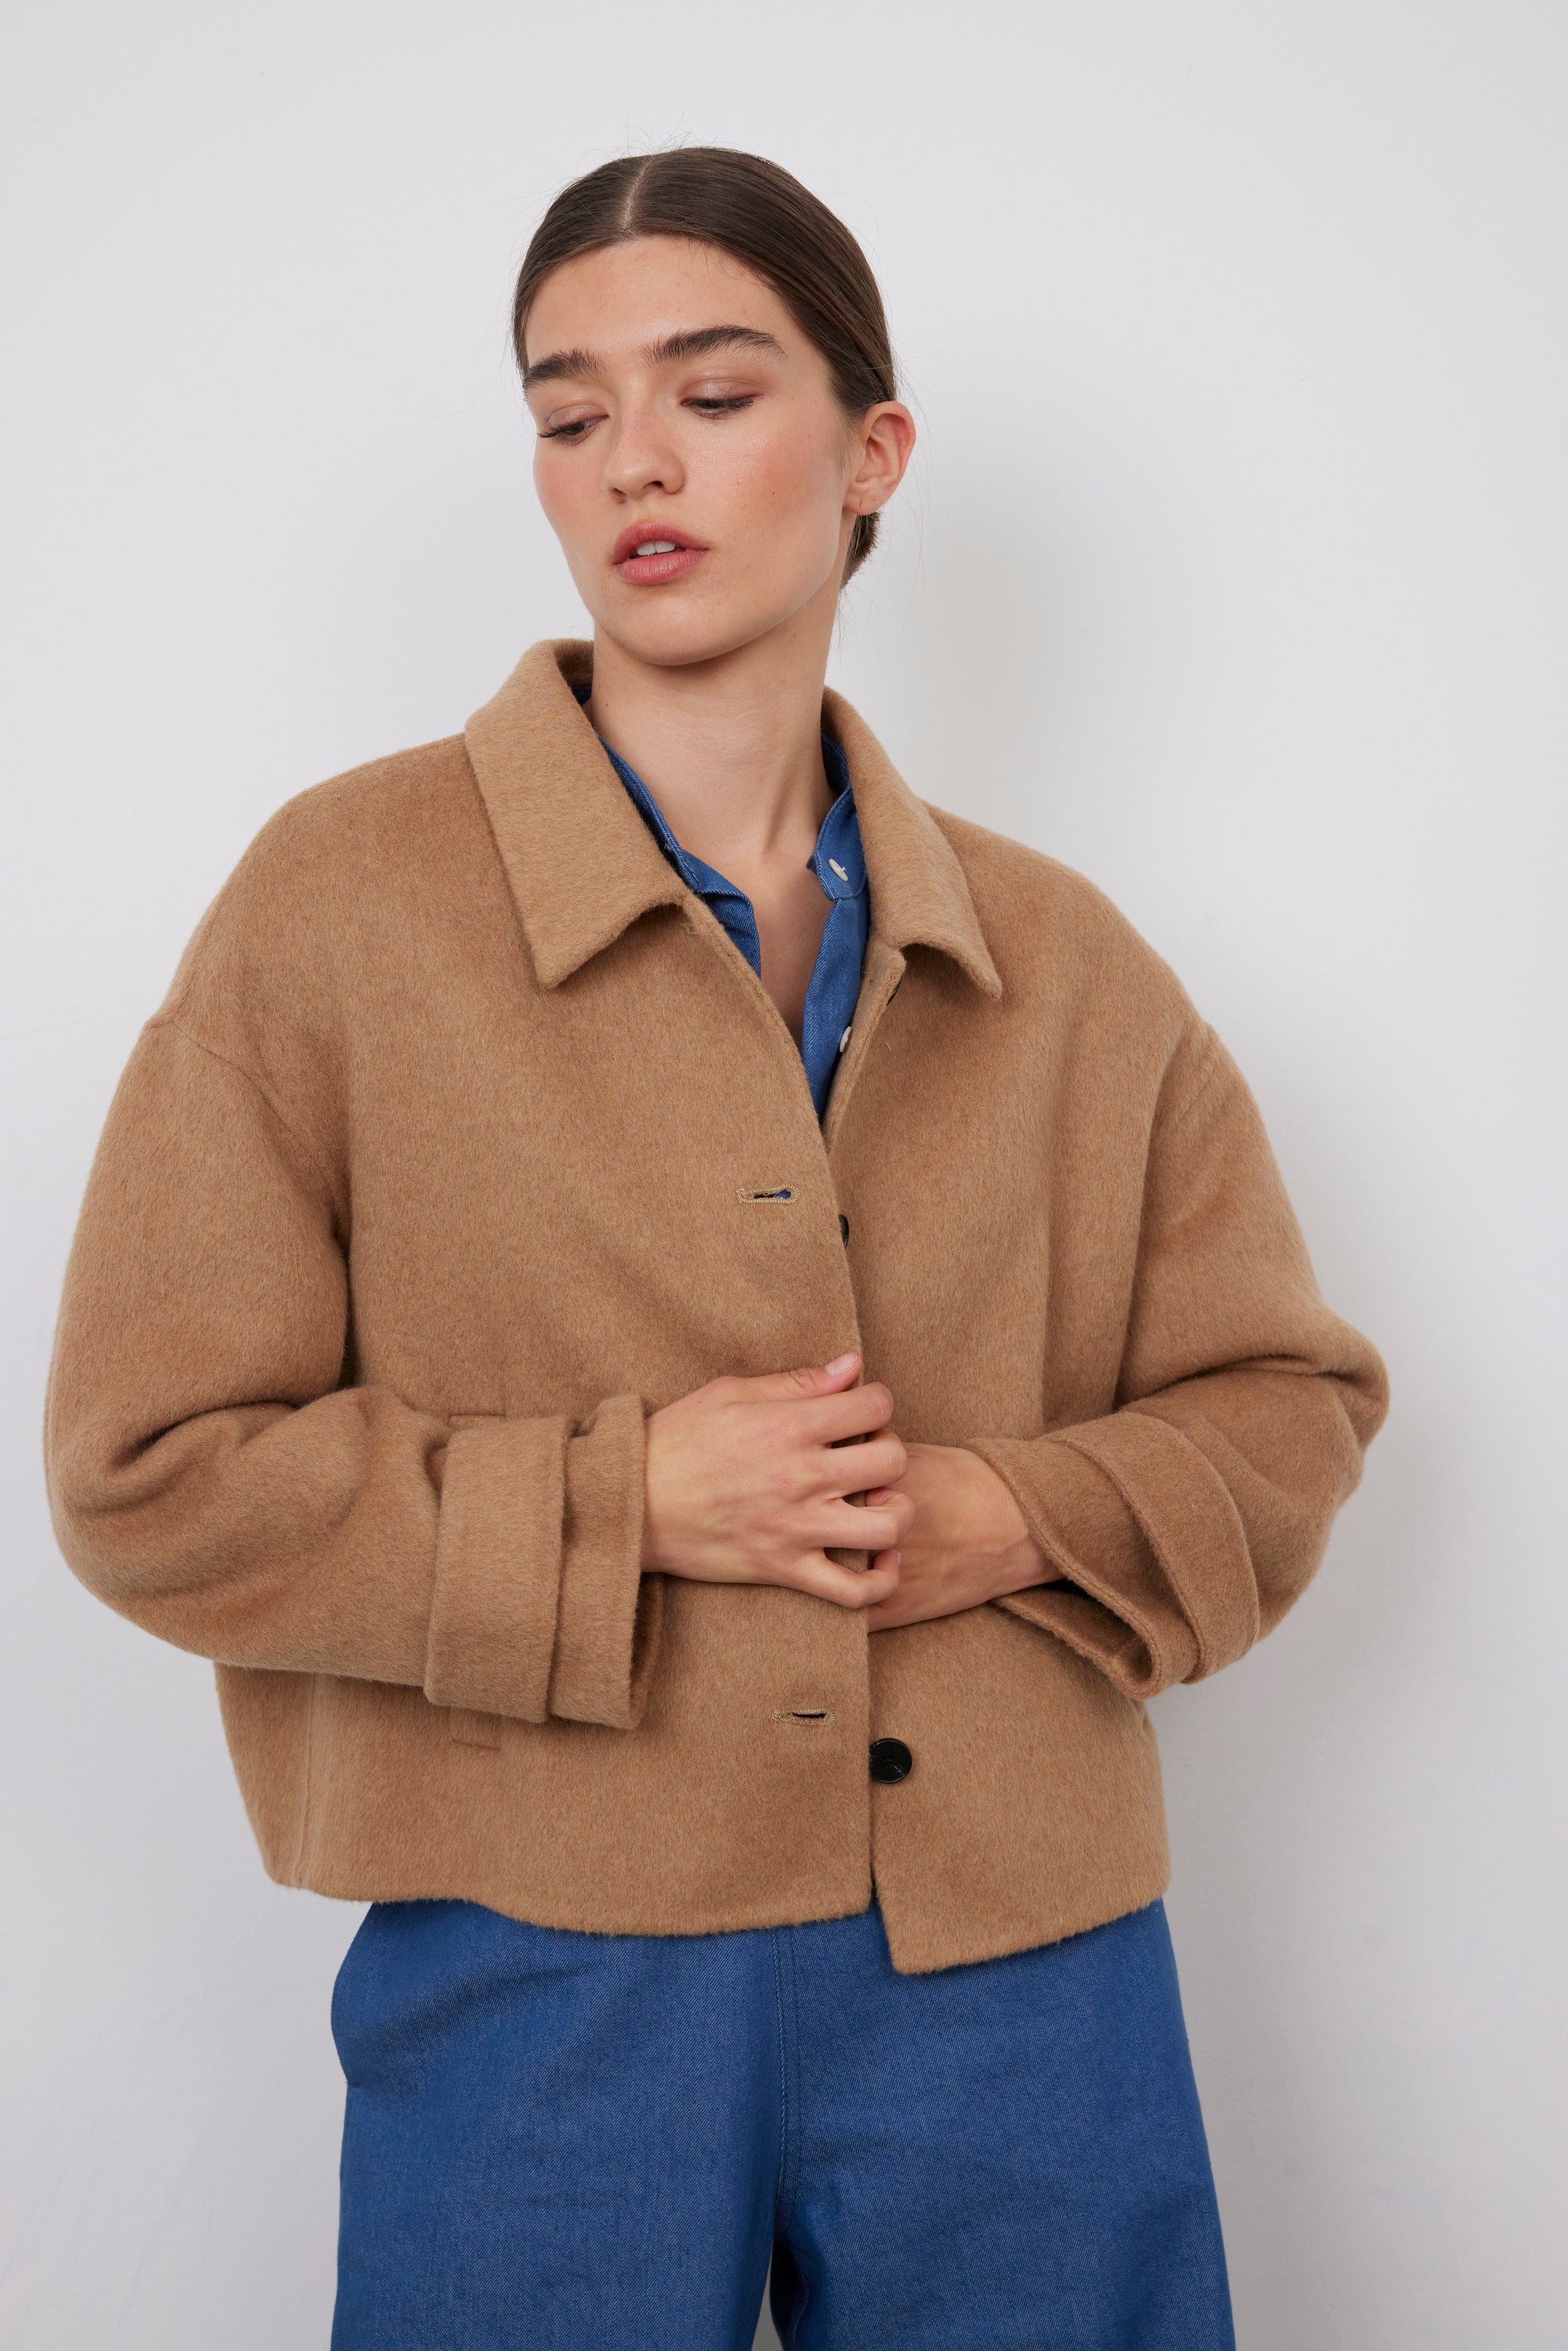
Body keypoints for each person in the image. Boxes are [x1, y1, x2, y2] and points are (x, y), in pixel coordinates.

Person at [42, 147, 1388, 2350]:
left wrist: (1004, 1514)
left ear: (873, 453)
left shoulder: (1063, 958)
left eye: (714, 391)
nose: (632, 462)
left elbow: (1291, 1408)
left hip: (1024, 1970)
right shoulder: (340, 903)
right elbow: (147, 1472)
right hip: (543, 1957)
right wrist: (629, 1504)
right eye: (569, 412)